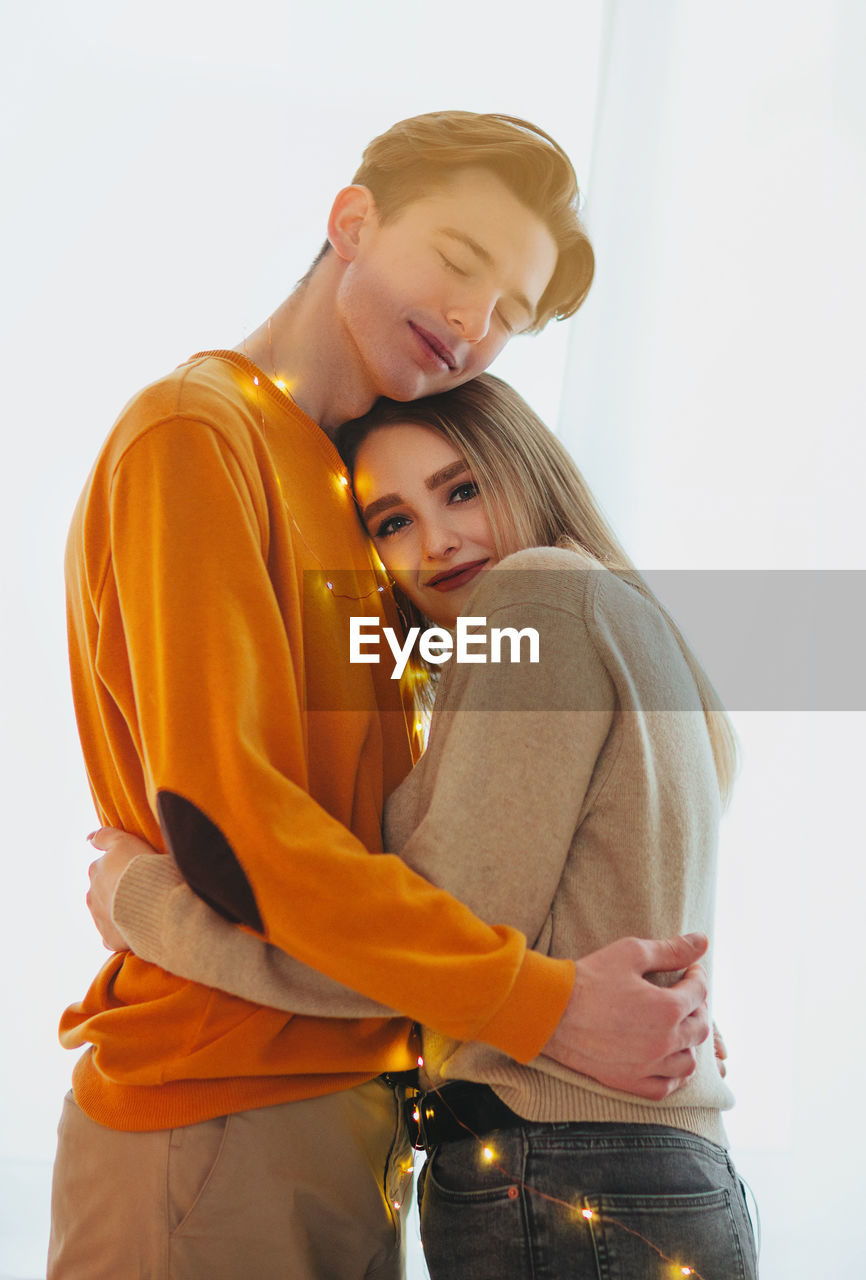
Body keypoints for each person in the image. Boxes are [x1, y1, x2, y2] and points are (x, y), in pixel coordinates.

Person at [57, 110, 713, 1280]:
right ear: (350, 219)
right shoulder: (195, 435)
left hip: (367, 1111)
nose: (473, 321)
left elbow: (425, 839)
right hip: (217, 1102)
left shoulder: (354, 494)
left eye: (509, 314)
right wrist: (540, 999)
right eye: (461, 262)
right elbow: (233, 831)